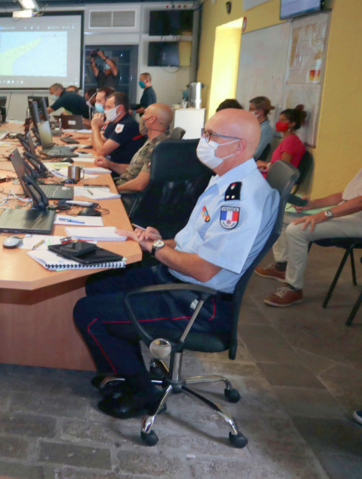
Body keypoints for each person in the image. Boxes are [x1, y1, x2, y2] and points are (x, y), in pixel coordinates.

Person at [73, 109, 278, 418]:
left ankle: (144, 392)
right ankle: (125, 371)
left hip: (198, 301)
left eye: (211, 136)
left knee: (87, 313)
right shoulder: (227, 178)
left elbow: (205, 269)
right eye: (205, 133)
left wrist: (155, 248)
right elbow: (195, 244)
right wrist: (157, 240)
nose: (203, 142)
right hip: (182, 277)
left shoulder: (241, 199)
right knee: (100, 282)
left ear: (238, 147)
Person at [255, 167, 362, 307]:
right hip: (348, 212)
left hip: (357, 221)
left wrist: (323, 215)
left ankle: (294, 288)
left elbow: (359, 202)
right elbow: (344, 196)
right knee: (281, 217)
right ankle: (282, 266)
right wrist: (312, 204)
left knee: (297, 229)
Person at [95, 103, 173, 193]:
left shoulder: (157, 148)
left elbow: (139, 184)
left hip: (126, 194)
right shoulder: (151, 141)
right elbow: (134, 170)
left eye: (144, 114)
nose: (142, 118)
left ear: (152, 120)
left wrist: (113, 190)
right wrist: (110, 164)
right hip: (122, 186)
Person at [89, 91, 145, 164]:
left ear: (119, 109)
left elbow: (101, 152)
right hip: (111, 163)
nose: (106, 110)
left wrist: (95, 127)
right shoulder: (113, 122)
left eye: (109, 107)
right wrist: (95, 127)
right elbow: (97, 145)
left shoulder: (126, 125)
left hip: (122, 170)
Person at [256, 106, 306, 178]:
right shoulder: (290, 140)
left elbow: (283, 168)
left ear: (292, 124)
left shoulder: (290, 142)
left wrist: (264, 164)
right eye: (279, 120)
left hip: (273, 181)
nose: (279, 123)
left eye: (282, 120)